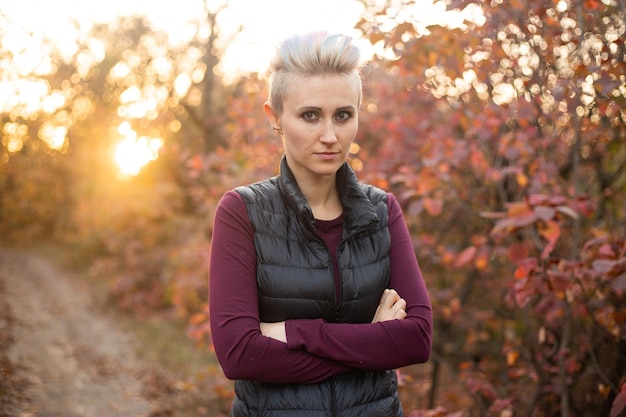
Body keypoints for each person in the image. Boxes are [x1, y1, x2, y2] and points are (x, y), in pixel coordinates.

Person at [209, 31, 433, 417]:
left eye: (343, 115)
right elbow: (239, 354)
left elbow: (417, 339)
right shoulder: (241, 212)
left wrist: (298, 333)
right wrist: (374, 343)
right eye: (310, 115)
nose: (330, 136)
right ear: (274, 118)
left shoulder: (383, 212)